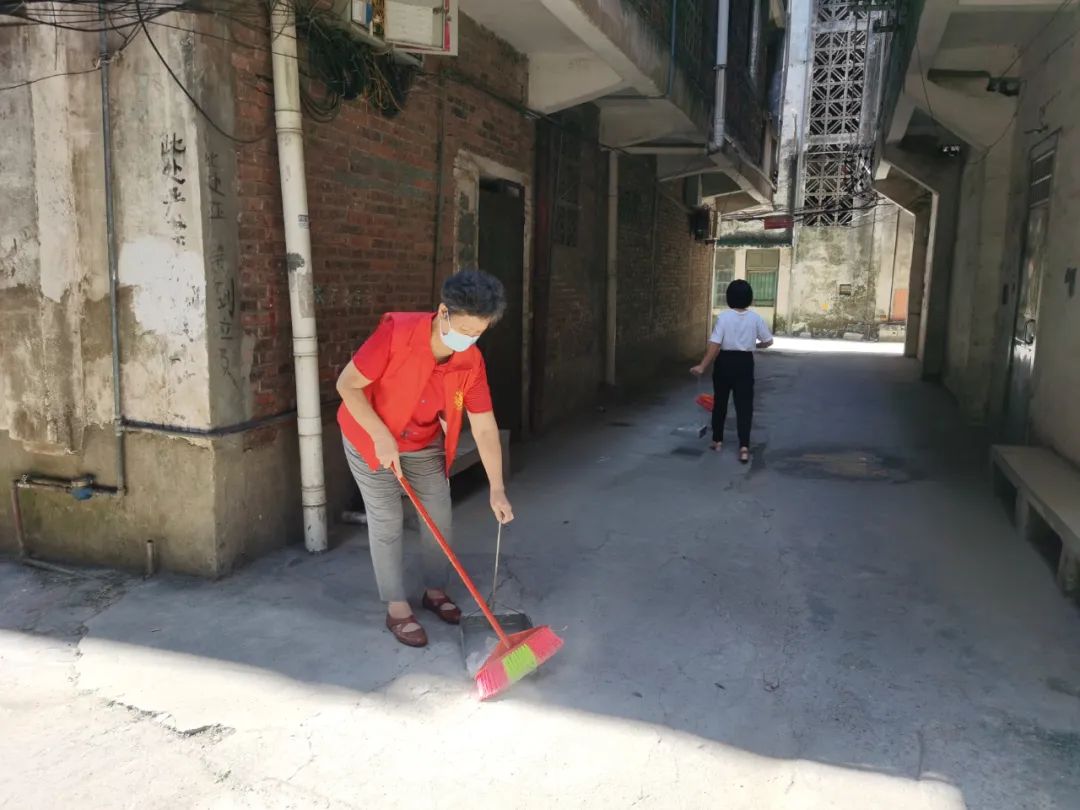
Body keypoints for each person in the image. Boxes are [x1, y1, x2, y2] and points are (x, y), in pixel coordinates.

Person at [336, 269, 514, 648]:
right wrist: (380, 435)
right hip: (370, 434)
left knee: (438, 516)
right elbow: (346, 385)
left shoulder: (471, 362)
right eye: (463, 329)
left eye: (477, 333)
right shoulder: (397, 333)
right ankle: (396, 606)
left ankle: (435, 591)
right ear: (443, 312)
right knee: (387, 519)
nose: (467, 340)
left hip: (422, 440)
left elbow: (484, 428)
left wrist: (497, 488)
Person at [690, 279, 773, 463]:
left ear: (729, 297)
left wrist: (702, 366)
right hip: (745, 363)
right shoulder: (755, 318)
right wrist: (754, 346)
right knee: (744, 406)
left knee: (720, 402)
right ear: (749, 297)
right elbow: (768, 341)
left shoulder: (724, 317)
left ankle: (717, 441)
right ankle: (744, 447)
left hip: (725, 363)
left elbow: (715, 344)